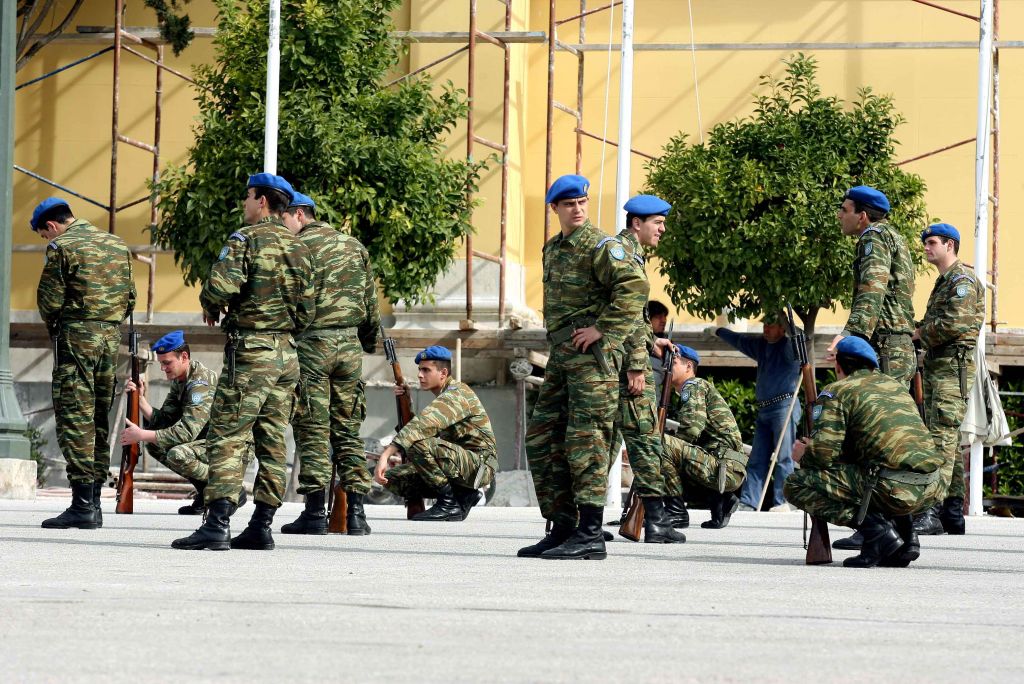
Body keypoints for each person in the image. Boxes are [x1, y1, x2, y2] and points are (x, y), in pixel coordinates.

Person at [172, 173, 314, 551]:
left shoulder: (245, 238)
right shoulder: (301, 248)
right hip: (287, 355)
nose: (245, 204)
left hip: (251, 353)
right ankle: (262, 526)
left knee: (229, 436)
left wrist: (211, 304)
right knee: (272, 440)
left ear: (263, 201)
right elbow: (308, 311)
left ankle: (217, 523)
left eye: (249, 197)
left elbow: (220, 287)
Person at [519, 175, 647, 560]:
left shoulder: (602, 246)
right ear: (554, 209)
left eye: (582, 202)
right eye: (569, 203)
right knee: (543, 439)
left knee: (586, 442)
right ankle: (563, 526)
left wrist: (603, 330)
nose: (577, 208)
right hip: (561, 357)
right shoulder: (553, 248)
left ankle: (590, 533)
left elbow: (634, 288)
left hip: (592, 362)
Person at [784, 337, 943, 568]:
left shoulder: (838, 391)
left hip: (891, 489)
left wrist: (803, 454)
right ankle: (907, 538)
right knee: (877, 466)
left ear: (838, 366)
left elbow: (823, 456)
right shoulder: (896, 388)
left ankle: (877, 532)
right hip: (930, 489)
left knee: (795, 484)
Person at [278, 192, 380, 536]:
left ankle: (314, 513)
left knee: (313, 429)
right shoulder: (354, 247)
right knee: (349, 430)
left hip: (312, 346)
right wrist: (363, 343)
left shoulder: (298, 249)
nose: (283, 226)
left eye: (284, 219)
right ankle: (357, 515)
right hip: (349, 346)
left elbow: (289, 303)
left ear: (300, 215)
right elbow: (371, 306)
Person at [34, 198, 136, 530]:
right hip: (110, 338)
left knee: (75, 418)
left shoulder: (62, 246)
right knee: (98, 417)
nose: (46, 242)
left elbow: (49, 300)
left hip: (77, 337)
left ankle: (82, 505)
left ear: (51, 226)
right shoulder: (116, 244)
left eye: (43, 235)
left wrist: (59, 328)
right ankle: (93, 502)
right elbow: (130, 297)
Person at [612, 195, 685, 543]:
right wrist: (637, 364)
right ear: (637, 223)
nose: (662, 229)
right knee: (644, 438)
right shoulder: (625, 256)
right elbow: (625, 316)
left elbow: (634, 318)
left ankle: (585, 521)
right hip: (626, 367)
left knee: (609, 440)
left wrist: (652, 342)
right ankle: (656, 522)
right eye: (657, 222)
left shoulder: (629, 253)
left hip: (615, 361)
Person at [119, 330, 250, 515]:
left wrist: (141, 434)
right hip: (207, 441)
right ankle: (205, 493)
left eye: (167, 363)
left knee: (177, 454)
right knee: (155, 446)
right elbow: (166, 420)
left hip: (230, 446)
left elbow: (186, 432)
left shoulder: (200, 384)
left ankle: (228, 487)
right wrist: (140, 401)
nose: (163, 368)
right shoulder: (181, 380)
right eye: (161, 363)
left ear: (184, 357)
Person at [911, 223, 984, 536]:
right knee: (950, 442)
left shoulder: (962, 280)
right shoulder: (945, 281)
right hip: (941, 369)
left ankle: (931, 510)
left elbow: (954, 322)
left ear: (950, 245)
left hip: (951, 371)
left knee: (940, 440)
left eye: (932, 243)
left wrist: (918, 334)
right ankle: (953, 513)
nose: (927, 248)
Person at [373, 346, 496, 521]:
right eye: (419, 370)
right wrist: (406, 403)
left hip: (478, 467)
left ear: (443, 373)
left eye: (426, 370)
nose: (420, 375)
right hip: (459, 465)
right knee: (393, 478)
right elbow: (422, 428)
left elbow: (423, 427)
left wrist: (386, 454)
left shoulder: (457, 394)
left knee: (416, 443)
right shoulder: (443, 396)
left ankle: (449, 503)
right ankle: (462, 495)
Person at [707, 312, 801, 513]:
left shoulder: (787, 347)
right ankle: (749, 502)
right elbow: (740, 340)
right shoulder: (761, 345)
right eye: (765, 325)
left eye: (772, 325)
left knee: (784, 457)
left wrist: (791, 325)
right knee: (757, 457)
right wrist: (719, 331)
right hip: (765, 408)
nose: (766, 329)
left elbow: (797, 341)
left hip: (785, 406)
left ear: (782, 329)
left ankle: (784, 502)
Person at [828, 186, 915, 386]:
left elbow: (872, 288)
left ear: (862, 216)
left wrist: (851, 334)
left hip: (885, 347)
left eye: (845, 210)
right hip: (894, 344)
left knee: (880, 415)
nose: (839, 215)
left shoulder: (873, 236)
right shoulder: (893, 236)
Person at [661, 345, 748, 529]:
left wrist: (668, 447)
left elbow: (692, 428)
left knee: (659, 444)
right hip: (727, 469)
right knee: (665, 447)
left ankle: (676, 512)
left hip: (722, 469)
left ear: (688, 366)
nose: (667, 366)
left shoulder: (693, 385)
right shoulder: (696, 388)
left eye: (673, 362)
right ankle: (721, 501)